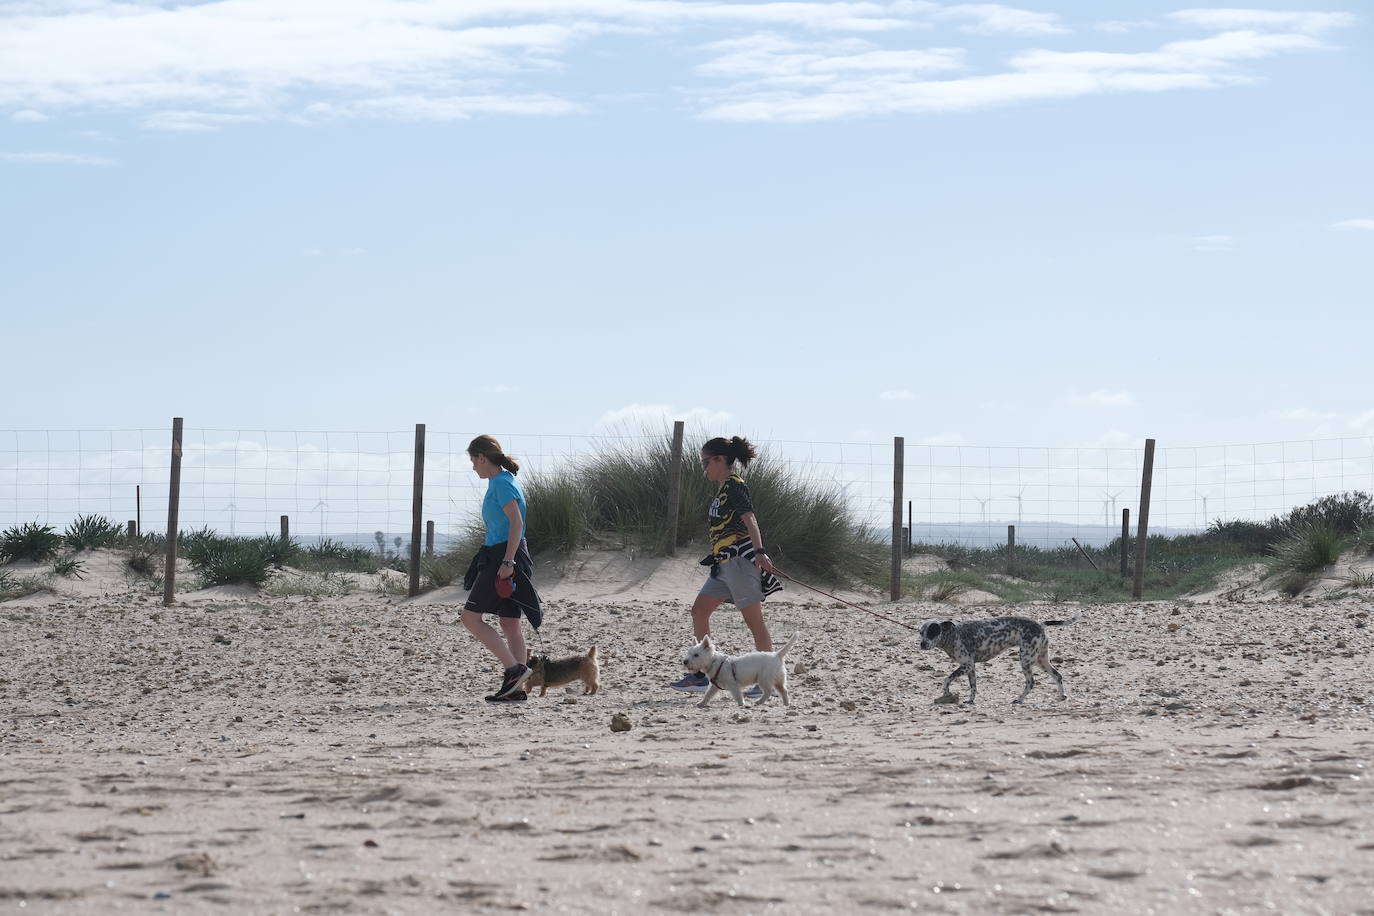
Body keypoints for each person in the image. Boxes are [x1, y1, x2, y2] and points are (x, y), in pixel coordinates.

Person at [670, 435, 783, 693]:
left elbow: (749, 518)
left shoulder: (735, 486)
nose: (704, 468)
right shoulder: (722, 490)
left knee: (754, 622)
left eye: (706, 462)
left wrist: (760, 552)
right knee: (699, 611)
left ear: (721, 459)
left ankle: (768, 679)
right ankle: (701, 675)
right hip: (722, 566)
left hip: (740, 564)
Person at [461, 435, 542, 703]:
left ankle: (514, 670)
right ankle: (516, 690)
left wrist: (507, 563)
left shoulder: (502, 484)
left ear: (483, 458)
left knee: (470, 618)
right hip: (511, 553)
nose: (473, 467)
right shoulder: (503, 481)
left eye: (473, 460)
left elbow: (516, 523)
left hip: (504, 555)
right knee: (510, 624)